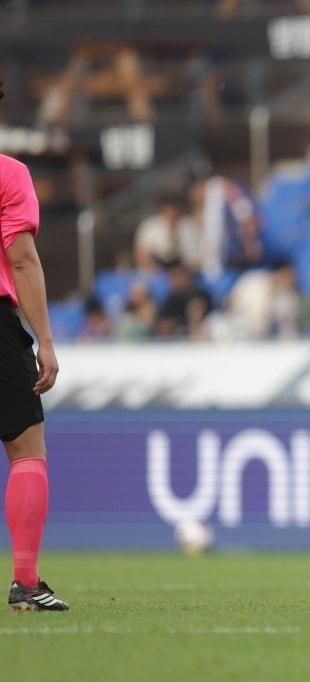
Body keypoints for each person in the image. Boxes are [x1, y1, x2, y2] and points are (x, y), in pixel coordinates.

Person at [0, 79, 69, 611]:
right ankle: (26, 583)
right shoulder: (9, 174)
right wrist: (44, 340)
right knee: (26, 447)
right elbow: (21, 260)